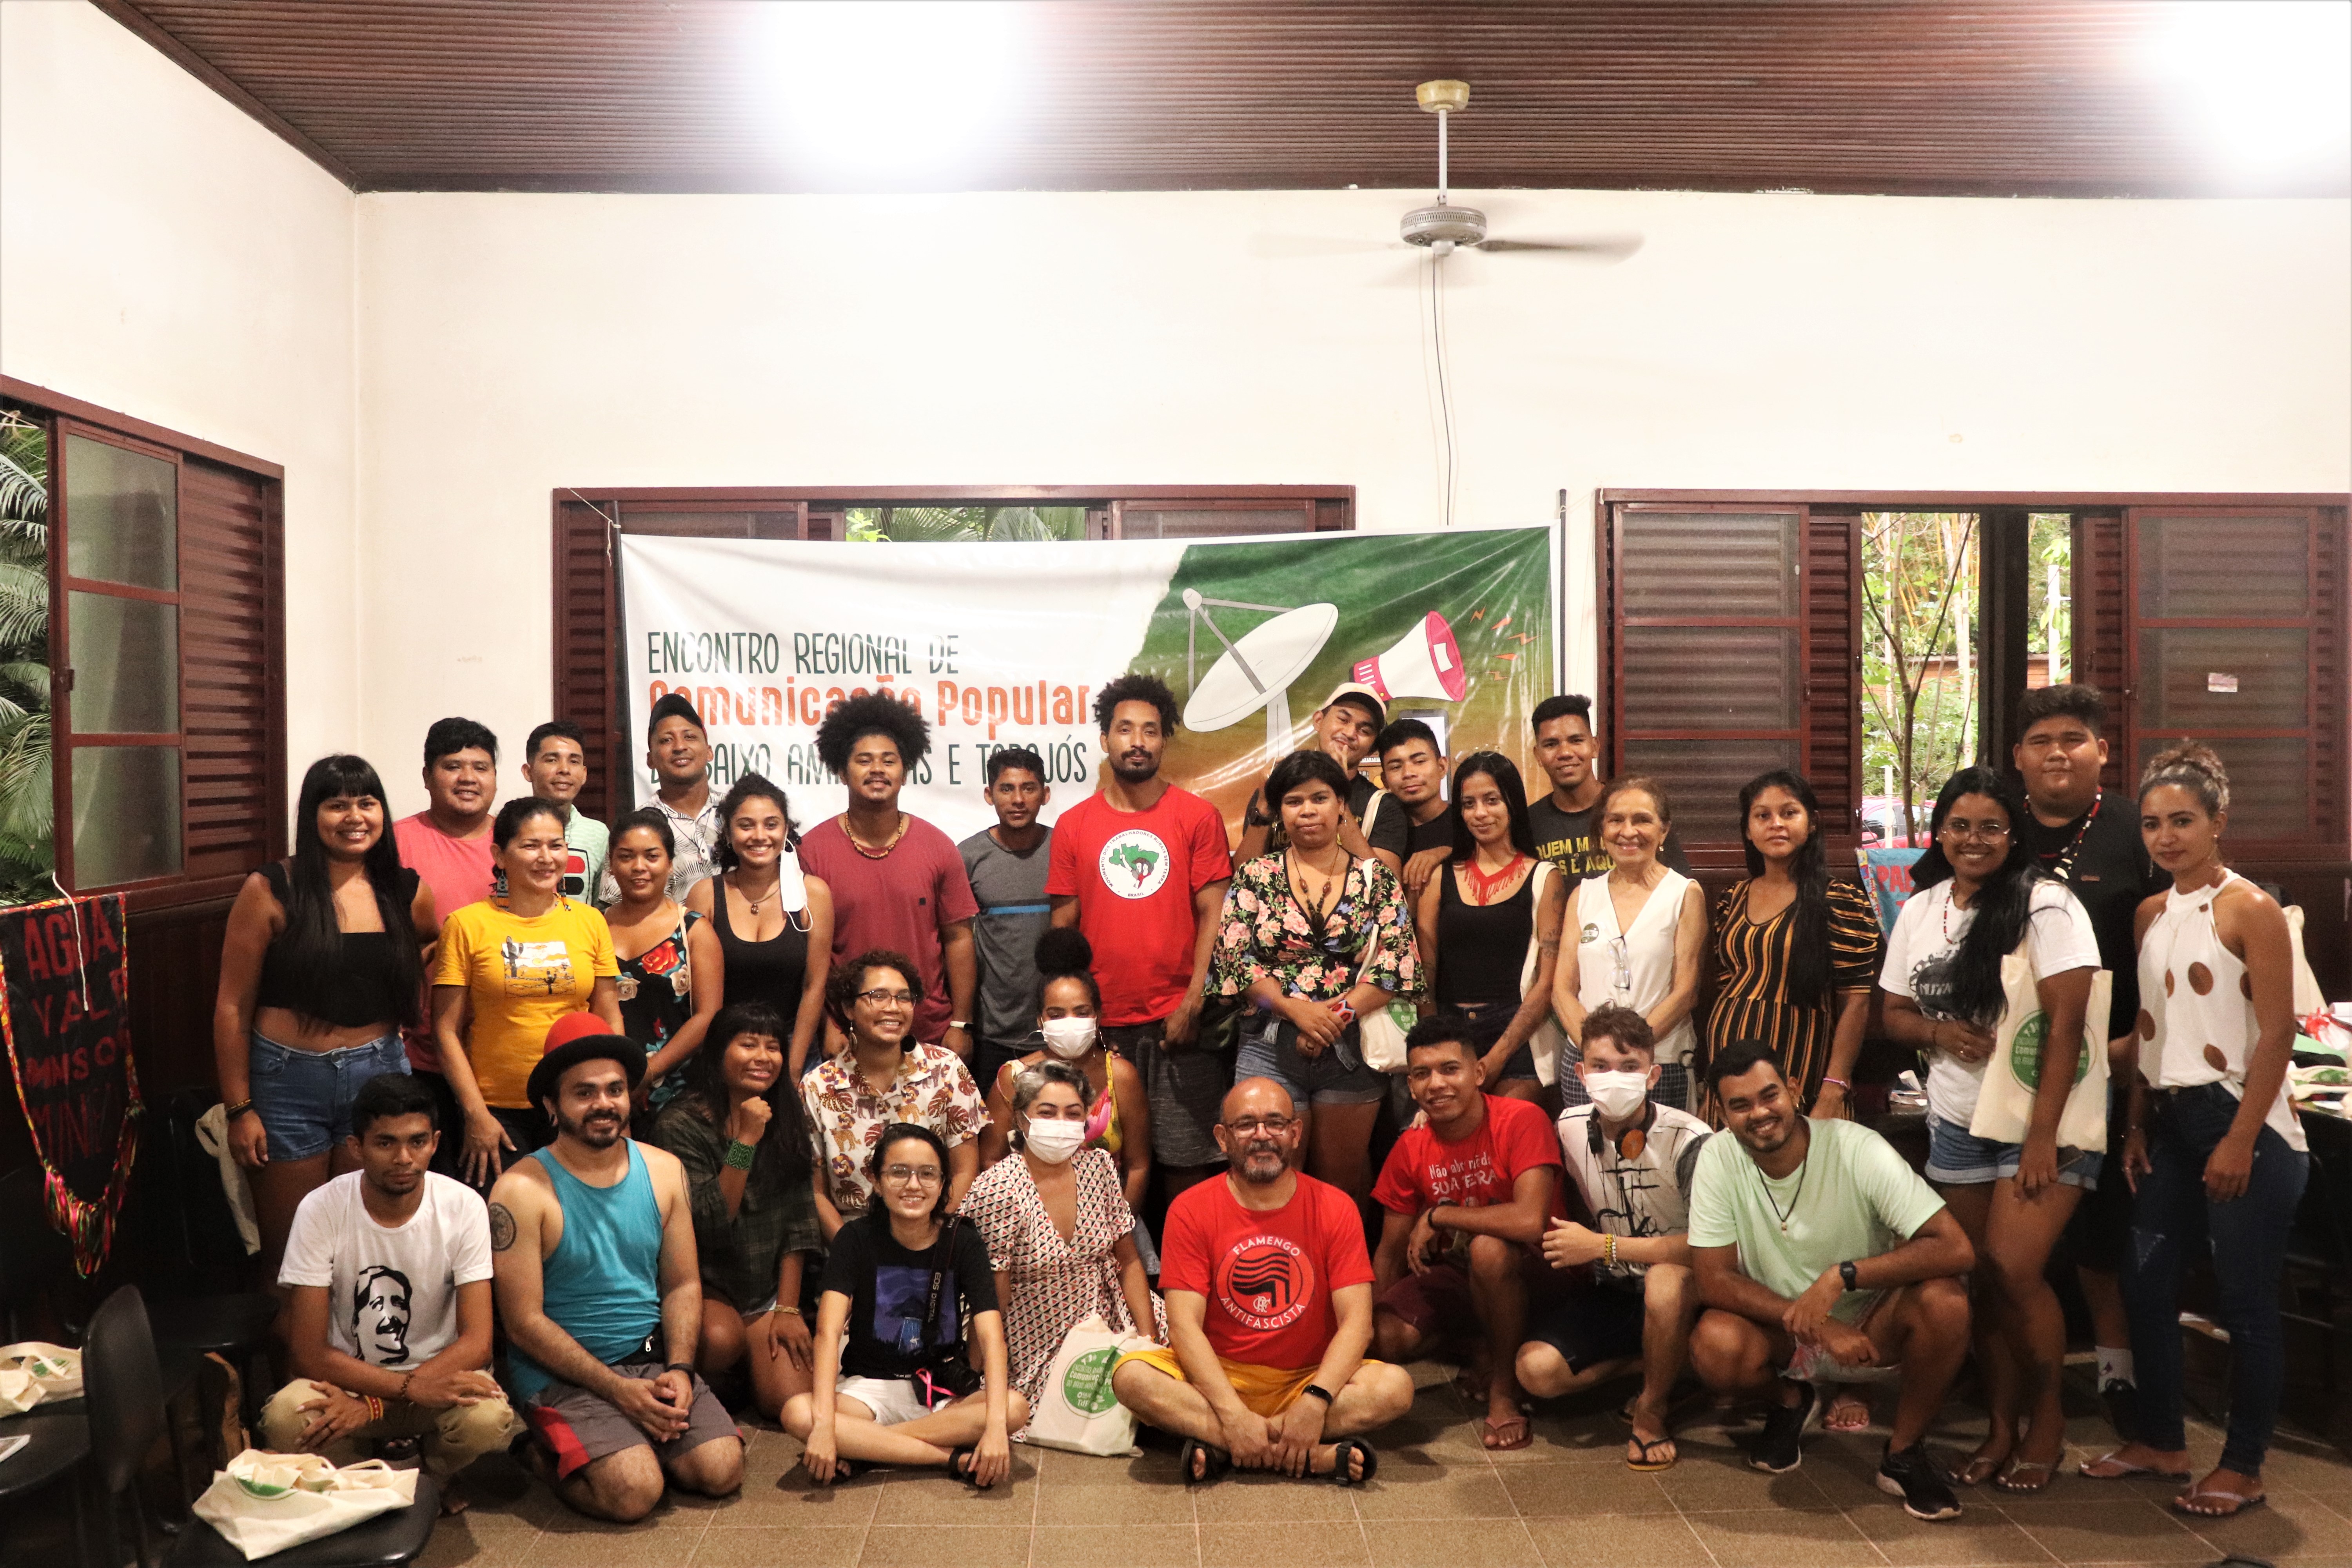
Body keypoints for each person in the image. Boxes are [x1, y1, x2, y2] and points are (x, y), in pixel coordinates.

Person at [2080, 743, 2309, 1520]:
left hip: (2246, 1121)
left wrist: (2242, 1138)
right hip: (2172, 1122)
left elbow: (2278, 1033)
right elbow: (2152, 1029)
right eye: (2151, 824)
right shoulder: (2151, 912)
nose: (2166, 837)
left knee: (2247, 1303)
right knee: (2146, 1282)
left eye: (2183, 820)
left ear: (2217, 819)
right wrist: (2137, 1125)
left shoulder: (2251, 908)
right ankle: (2163, 1440)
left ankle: (2244, 1464)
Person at [1879, 766, 2101, 1492]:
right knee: (1978, 1277)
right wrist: (1940, 1035)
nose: (1974, 840)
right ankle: (2001, 1426)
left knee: (2014, 1268)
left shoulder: (2047, 905)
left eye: (1991, 827)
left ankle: (2048, 1420)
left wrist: (2041, 1136)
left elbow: (2068, 1024)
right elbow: (1893, 1015)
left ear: (2015, 834)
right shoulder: (1922, 909)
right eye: (1960, 826)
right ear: (1939, 831)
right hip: (1955, 1120)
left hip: (2043, 1121)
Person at [1686, 1042, 1975, 1521]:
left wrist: (1842, 1276)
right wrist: (1818, 1325)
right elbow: (1713, 1279)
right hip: (1786, 1330)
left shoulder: (1856, 1147)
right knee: (1714, 1343)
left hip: (1872, 1324)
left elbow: (1954, 1247)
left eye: (1769, 1095)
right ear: (1722, 1112)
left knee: (1947, 1303)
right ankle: (1790, 1401)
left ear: (1794, 1089)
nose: (1759, 1113)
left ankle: (1903, 1454)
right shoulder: (1718, 1157)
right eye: (1740, 1105)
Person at [488, 1029, 743, 1521]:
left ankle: (630, 1438)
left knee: (721, 1470)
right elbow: (522, 1323)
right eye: (584, 1093)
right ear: (552, 1105)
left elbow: (683, 1284)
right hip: (561, 1375)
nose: (603, 1104)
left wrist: (682, 1369)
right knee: (634, 1492)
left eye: (615, 1089)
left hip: (650, 1360)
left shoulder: (665, 1170)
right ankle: (538, 1452)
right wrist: (616, 1390)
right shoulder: (519, 1189)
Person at [1110, 1078, 1416, 1485]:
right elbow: (1183, 1326)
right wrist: (1233, 1413)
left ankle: (1229, 1447)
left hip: (1305, 1376)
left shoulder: (1336, 1207)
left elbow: (1358, 1323)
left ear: (1295, 1133)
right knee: (1130, 1377)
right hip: (1218, 1376)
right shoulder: (1190, 1208)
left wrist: (1316, 1400)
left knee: (1396, 1388)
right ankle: (1302, 1454)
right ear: (1222, 1138)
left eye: (1275, 1123)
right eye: (1246, 1125)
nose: (1262, 1136)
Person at [2012, 685, 2168, 1440]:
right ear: (2019, 758)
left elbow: (2172, 962)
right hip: (2011, 1076)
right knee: (2016, 1233)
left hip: (2115, 1070)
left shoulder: (2139, 834)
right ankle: (2015, 1372)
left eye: (2074, 739)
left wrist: (2128, 1050)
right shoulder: (1999, 830)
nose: (2057, 754)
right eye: (2042, 741)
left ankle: (2117, 1372)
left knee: (2106, 1234)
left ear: (2102, 750)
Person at [214, 755, 437, 1274]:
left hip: (379, 1075)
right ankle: (294, 1357)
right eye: (337, 805)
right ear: (312, 817)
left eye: (367, 802)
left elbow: (435, 947)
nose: (354, 816)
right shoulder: (270, 889)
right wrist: (238, 1108)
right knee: (294, 1258)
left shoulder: (406, 891)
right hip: (288, 1084)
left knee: (365, 1248)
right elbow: (231, 1006)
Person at [258, 1074, 514, 1512]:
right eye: (385, 1143)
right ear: (357, 1147)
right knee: (284, 1417)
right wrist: (381, 1399)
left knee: (488, 1420)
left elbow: (478, 1341)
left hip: (438, 1381)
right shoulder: (321, 1208)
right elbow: (307, 1350)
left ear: (435, 1142)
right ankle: (366, 1472)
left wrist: (386, 1401)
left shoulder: (464, 1205)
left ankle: (433, 1472)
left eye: (417, 1142)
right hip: (349, 1388)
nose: (404, 1158)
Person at [1046, 675, 1233, 1197]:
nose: (1138, 741)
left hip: (1179, 1019)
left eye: (1150, 731)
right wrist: (1070, 1020)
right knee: (1097, 1156)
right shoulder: (1073, 824)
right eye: (1125, 730)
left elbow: (1215, 915)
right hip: (1100, 1027)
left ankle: (1179, 1276)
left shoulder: (1197, 816)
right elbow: (1062, 931)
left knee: (1187, 1159)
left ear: (1163, 742)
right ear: (1104, 740)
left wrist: (1193, 1002)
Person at [1212, 749, 1419, 1202]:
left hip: (1352, 1048)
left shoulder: (1375, 880)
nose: (1308, 811)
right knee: (1268, 1175)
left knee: (1340, 1185)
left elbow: (1396, 964)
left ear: (1342, 805)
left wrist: (1334, 1017)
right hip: (1269, 1044)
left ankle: (1341, 1272)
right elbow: (1235, 961)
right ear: (1280, 812)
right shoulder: (1254, 876)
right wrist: (1295, 1011)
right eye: (1294, 801)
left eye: (1320, 798)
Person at [783, 1123, 1028, 1486]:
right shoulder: (856, 1238)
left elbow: (992, 1336)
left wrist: (994, 1429)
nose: (914, 1185)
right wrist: (822, 1426)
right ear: (877, 1183)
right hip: (867, 1389)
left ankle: (870, 1448)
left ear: (944, 1184)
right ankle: (949, 1458)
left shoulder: (963, 1239)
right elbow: (828, 1330)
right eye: (899, 1172)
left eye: (928, 1174)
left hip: (940, 1390)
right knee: (799, 1414)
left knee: (1013, 1408)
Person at [1519, 1006, 1708, 1470]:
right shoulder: (1568, 1127)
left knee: (1665, 1284)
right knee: (1535, 1371)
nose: (1614, 1078)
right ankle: (1672, 1365)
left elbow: (1709, 1248)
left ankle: (1652, 1409)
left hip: (1689, 1291)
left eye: (1629, 1068)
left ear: (1652, 1075)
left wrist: (1604, 1247)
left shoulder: (1691, 1140)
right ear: (1581, 1073)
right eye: (1601, 1067)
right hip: (1619, 1291)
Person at [1368, 1015, 1562, 1452]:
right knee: (1385, 1334)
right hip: (1458, 1276)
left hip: (1541, 1269)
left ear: (1477, 1073)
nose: (1436, 1084)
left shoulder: (1521, 1118)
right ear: (1412, 1088)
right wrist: (1366, 1353)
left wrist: (1440, 1216)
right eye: (1422, 1074)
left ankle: (1504, 1388)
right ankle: (1483, 1346)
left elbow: (1530, 1220)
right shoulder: (1411, 1146)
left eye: (1449, 1069)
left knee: (1490, 1250)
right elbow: (1389, 1252)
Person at [433, 797, 624, 1185]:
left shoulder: (590, 922)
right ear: (500, 855)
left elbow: (609, 1014)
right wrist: (475, 1113)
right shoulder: (466, 925)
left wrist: (613, 1094)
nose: (546, 858)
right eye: (530, 845)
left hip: (579, 1104)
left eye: (556, 845)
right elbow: (445, 1030)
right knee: (507, 1229)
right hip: (498, 1112)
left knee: (573, 1227)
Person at [648, 1002, 824, 1421]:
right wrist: (745, 1140)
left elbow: (800, 1219)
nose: (763, 1057)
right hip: (704, 1283)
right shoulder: (679, 1124)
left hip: (765, 1289)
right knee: (719, 1339)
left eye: (773, 1047)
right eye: (748, 1044)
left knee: (791, 1407)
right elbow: (711, 1222)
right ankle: (719, 1371)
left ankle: (745, 1372)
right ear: (717, 1052)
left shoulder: (786, 1112)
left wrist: (787, 1306)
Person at [963, 1061, 1163, 1410]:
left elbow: (1129, 1260)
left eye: (1073, 1114)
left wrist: (1149, 1342)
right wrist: (975, 1370)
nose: (1061, 1124)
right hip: (1033, 1333)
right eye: (1047, 1112)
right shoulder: (997, 1189)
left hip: (1109, 1310)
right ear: (1021, 1118)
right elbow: (995, 1294)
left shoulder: (1099, 1167)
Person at [798, 693, 980, 1061]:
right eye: (864, 761)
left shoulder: (938, 847)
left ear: (905, 770)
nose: (877, 770)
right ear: (841, 771)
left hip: (929, 1035)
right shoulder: (811, 851)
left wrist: (961, 1024)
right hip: (844, 1036)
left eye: (889, 761)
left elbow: (958, 939)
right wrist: (827, 1026)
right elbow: (805, 954)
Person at [1704, 769, 1884, 1118]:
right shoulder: (1733, 898)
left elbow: (1856, 1004)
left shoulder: (1839, 900)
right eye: (1763, 816)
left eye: (1789, 813)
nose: (1776, 824)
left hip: (1804, 1070)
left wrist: (1835, 1085)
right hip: (1728, 1075)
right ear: (1748, 829)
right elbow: (1727, 984)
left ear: (1812, 823)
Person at [1412, 753, 1566, 1102]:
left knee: (1508, 1134)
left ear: (1512, 803)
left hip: (1518, 1032)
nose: (1480, 813)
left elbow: (1547, 983)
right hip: (1450, 1029)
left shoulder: (1545, 876)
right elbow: (1425, 970)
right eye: (1469, 804)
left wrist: (1496, 1058)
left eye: (1492, 800)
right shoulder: (1440, 876)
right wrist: (1435, 1042)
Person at [802, 950, 991, 1234]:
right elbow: (817, 1193)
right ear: (849, 1008)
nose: (893, 1007)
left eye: (904, 997)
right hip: (854, 1243)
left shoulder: (946, 1070)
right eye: (878, 996)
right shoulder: (819, 1086)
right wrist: (852, 1253)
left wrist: (929, 1237)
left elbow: (965, 1171)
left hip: (934, 1236)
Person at [1551, 777, 1705, 1110]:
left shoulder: (1685, 894)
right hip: (1587, 1069)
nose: (1628, 831)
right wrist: (1598, 1055)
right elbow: (1562, 989)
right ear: (1602, 829)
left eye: (1642, 820)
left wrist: (1630, 1054)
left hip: (1660, 1063)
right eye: (1616, 819)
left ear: (1663, 831)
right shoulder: (1583, 895)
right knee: (1588, 1161)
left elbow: (1686, 992)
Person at [978, 929, 1151, 1223]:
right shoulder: (1013, 1078)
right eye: (1057, 1015)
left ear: (1098, 1015)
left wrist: (1116, 1227)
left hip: (1109, 1224)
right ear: (1040, 1020)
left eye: (1081, 1012)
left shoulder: (1120, 1075)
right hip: (1028, 1227)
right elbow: (990, 1160)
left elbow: (1138, 1166)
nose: (1070, 1023)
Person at [394, 718, 501, 1165]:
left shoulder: (518, 840)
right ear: (426, 776)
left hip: (503, 1054)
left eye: (481, 766)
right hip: (421, 1052)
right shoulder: (394, 842)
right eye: (453, 766)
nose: (468, 778)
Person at [685, 772, 834, 1075]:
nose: (759, 836)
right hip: (725, 1051)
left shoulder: (813, 894)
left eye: (771, 824)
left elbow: (814, 986)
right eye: (745, 825)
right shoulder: (705, 895)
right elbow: (695, 993)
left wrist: (792, 1068)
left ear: (786, 830)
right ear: (727, 833)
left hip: (794, 1048)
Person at [603, 809, 722, 1115]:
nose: (638, 867)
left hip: (681, 1095)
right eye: (626, 857)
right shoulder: (592, 926)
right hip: (607, 1091)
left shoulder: (695, 930)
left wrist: (650, 1072)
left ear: (670, 864)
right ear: (612, 865)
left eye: (652, 856)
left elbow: (707, 1017)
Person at [959, 746, 1055, 1087]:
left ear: (1045, 794)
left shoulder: (1065, 850)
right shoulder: (968, 857)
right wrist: (963, 1025)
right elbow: (957, 947)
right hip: (992, 1036)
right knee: (994, 1138)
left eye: (1028, 788)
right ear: (989, 795)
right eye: (1007, 789)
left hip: (1058, 1034)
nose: (1018, 799)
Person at [1235, 684, 1408, 871]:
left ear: (1373, 746)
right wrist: (1264, 806)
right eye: (1343, 719)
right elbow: (1242, 876)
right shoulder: (1278, 787)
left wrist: (1340, 795)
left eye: (1364, 730)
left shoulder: (1383, 805)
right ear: (1319, 720)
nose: (1350, 733)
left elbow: (1387, 888)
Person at [1524, 694, 1693, 884]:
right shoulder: (1528, 825)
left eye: (1576, 741)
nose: (1565, 753)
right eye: (1551, 744)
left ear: (1595, 746)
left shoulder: (1638, 811)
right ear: (1538, 755)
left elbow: (1679, 888)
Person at [602, 693, 725, 904]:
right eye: (666, 740)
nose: (679, 747)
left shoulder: (738, 815)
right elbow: (616, 913)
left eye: (690, 737)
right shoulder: (636, 829)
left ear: (709, 752)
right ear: (650, 760)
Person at [519, 720, 608, 904]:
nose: (565, 770)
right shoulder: (509, 828)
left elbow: (599, 907)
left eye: (574, 761)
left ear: (584, 774)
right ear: (529, 772)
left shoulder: (599, 834)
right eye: (552, 760)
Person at [1372, 719, 1455, 901]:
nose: (1408, 773)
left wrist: (1448, 852)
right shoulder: (1380, 833)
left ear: (1442, 767)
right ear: (1385, 781)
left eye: (1419, 761)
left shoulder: (1468, 823)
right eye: (1396, 767)